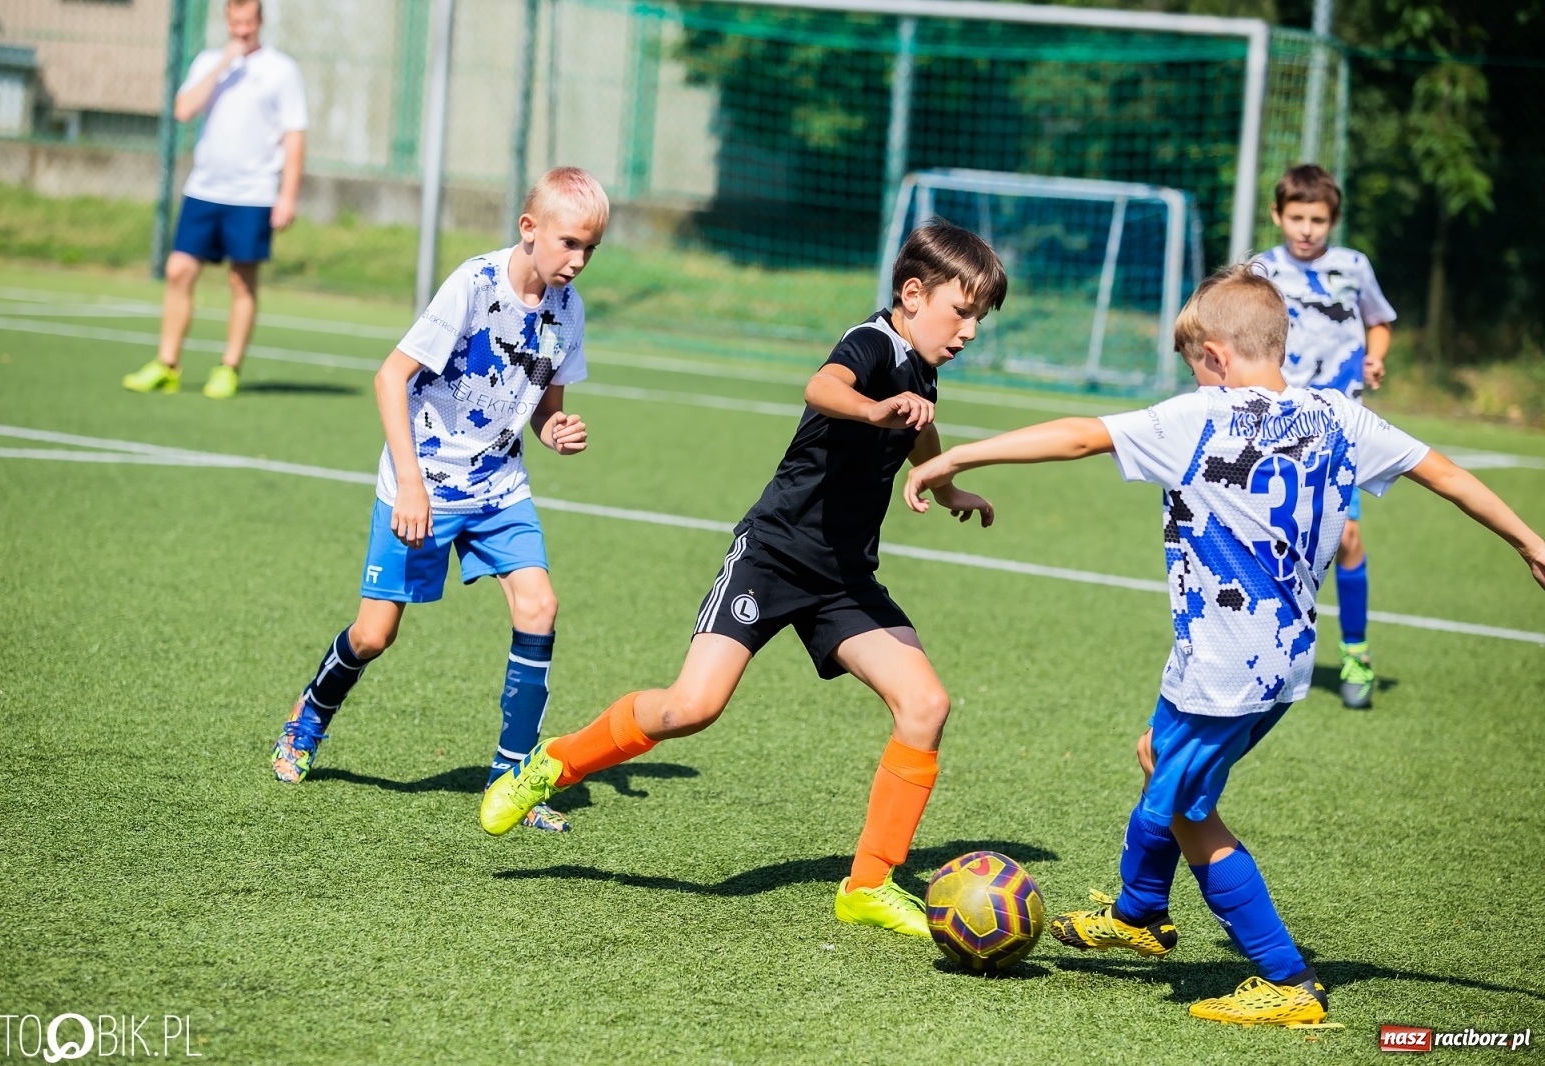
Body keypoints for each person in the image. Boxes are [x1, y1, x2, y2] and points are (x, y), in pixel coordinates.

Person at [905, 263, 1545, 1024]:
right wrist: (1528, 540)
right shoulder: (1341, 417)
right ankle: (1140, 914)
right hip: (1273, 652)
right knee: (1157, 756)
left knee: (1189, 810)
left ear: (1213, 353)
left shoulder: (1202, 416)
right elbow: (1444, 472)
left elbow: (1080, 435)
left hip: (1226, 662)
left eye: (1192, 364)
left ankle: (1287, 981)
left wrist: (956, 456)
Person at [479, 220, 1005, 936]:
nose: (970, 329)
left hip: (845, 579)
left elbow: (920, 426)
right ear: (913, 295)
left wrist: (944, 486)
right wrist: (873, 407)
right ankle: (554, 764)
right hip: (774, 555)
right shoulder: (874, 343)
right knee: (691, 708)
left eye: (979, 316)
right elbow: (824, 386)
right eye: (963, 311)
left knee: (926, 704)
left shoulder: (922, 366)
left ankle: (868, 884)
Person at [270, 168, 610, 835]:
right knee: (374, 634)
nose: (578, 261)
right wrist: (413, 482)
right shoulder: (474, 285)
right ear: (529, 228)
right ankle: (308, 715)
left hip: (499, 488)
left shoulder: (568, 311)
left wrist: (556, 431)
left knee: (540, 606)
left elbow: (545, 409)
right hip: (421, 484)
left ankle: (512, 779)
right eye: (569, 242)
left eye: (591, 249)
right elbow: (390, 377)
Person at [1258, 164, 1397, 707]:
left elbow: (1378, 321)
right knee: (1274, 539)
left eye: (1318, 219)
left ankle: (1356, 657)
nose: (1307, 229)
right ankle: (1270, 654)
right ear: (1278, 216)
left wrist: (1376, 358)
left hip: (1339, 425)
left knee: (1347, 539)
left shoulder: (1353, 267)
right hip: (1272, 421)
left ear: (1333, 220)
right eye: (1297, 217)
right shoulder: (1260, 270)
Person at [123, 0, 306, 400]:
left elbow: (294, 135)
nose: (242, 30)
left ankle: (229, 367)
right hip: (204, 189)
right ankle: (167, 364)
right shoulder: (209, 61)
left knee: (242, 280)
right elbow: (184, 109)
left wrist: (287, 194)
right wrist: (223, 63)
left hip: (254, 193)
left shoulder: (282, 69)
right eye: (235, 22)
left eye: (249, 22)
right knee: (178, 271)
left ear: (260, 21)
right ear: (227, 21)